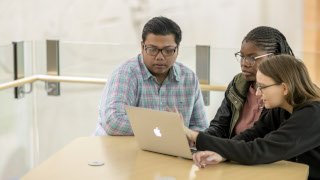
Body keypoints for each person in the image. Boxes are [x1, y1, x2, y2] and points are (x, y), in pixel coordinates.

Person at [183, 55, 320, 180]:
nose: (258, 94)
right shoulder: (282, 108)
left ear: (284, 88)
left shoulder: (312, 115)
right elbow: (251, 135)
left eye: (263, 87)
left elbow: (258, 150)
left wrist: (195, 136)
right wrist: (223, 155)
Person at [94, 16, 208, 136]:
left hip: (168, 151)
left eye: (168, 50)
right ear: (142, 47)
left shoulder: (189, 78)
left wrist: (190, 136)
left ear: (178, 48)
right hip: (119, 150)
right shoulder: (125, 74)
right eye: (152, 49)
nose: (160, 57)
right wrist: (167, 127)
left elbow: (201, 127)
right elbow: (113, 123)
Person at [205, 26, 294, 138]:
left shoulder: (282, 91)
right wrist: (201, 138)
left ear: (272, 58)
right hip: (233, 151)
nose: (244, 63)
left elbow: (265, 143)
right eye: (242, 56)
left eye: (252, 58)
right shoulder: (237, 83)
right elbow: (219, 126)